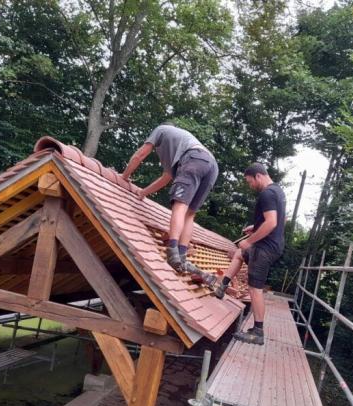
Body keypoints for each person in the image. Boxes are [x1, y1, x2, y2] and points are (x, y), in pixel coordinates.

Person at [121, 123, 218, 285]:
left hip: (195, 158)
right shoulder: (178, 146)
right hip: (212, 166)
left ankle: (172, 251)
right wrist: (143, 192)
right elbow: (166, 178)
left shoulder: (160, 129)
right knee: (190, 214)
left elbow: (140, 154)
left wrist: (124, 177)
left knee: (180, 204)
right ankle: (181, 255)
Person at [215, 163, 286, 345]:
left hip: (265, 248)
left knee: (254, 288)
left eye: (249, 182)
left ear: (258, 176)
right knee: (240, 253)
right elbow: (280, 219)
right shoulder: (278, 191)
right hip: (272, 245)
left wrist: (251, 239)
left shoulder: (267, 194)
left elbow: (271, 223)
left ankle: (258, 332)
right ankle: (222, 286)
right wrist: (255, 227)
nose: (250, 186)